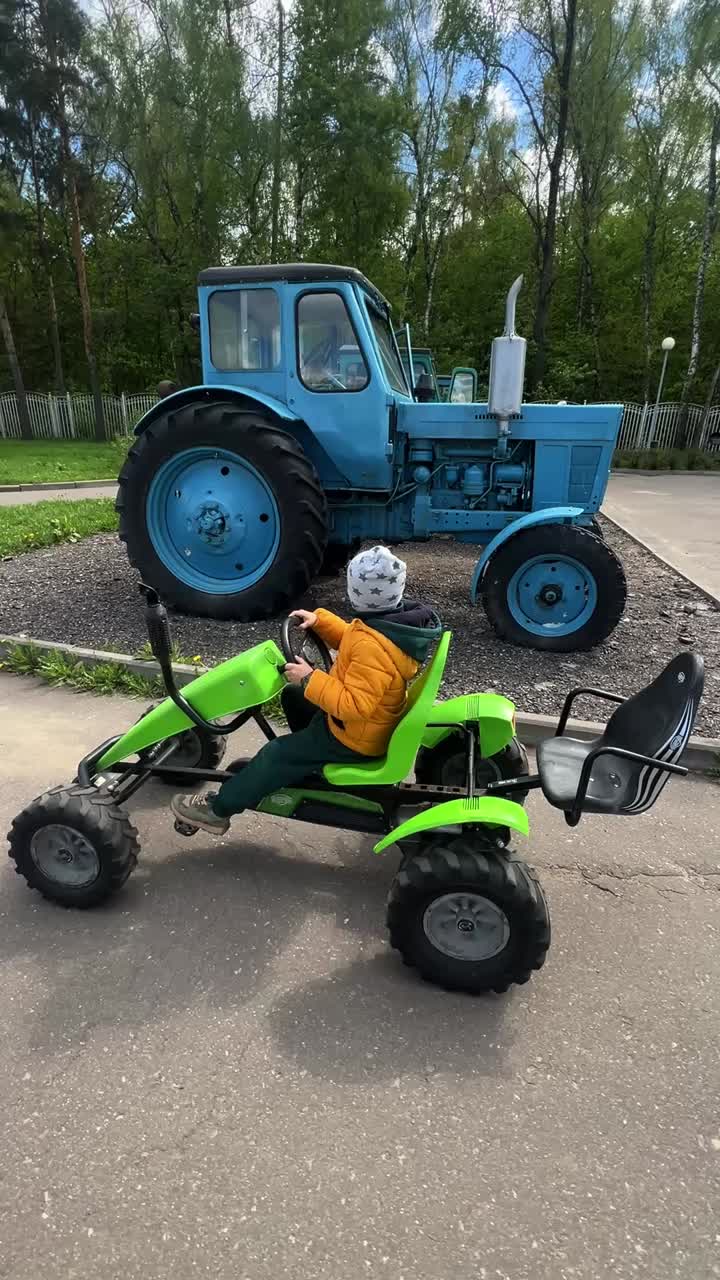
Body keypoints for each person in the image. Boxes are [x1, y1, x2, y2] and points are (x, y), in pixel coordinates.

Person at [171, 545, 442, 834]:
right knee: (293, 695)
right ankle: (308, 760)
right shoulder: (388, 626)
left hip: (353, 738)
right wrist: (321, 622)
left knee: (276, 754)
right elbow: (353, 637)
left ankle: (216, 810)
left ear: (355, 593)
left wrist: (311, 678)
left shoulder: (372, 646)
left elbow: (355, 705)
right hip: (361, 726)